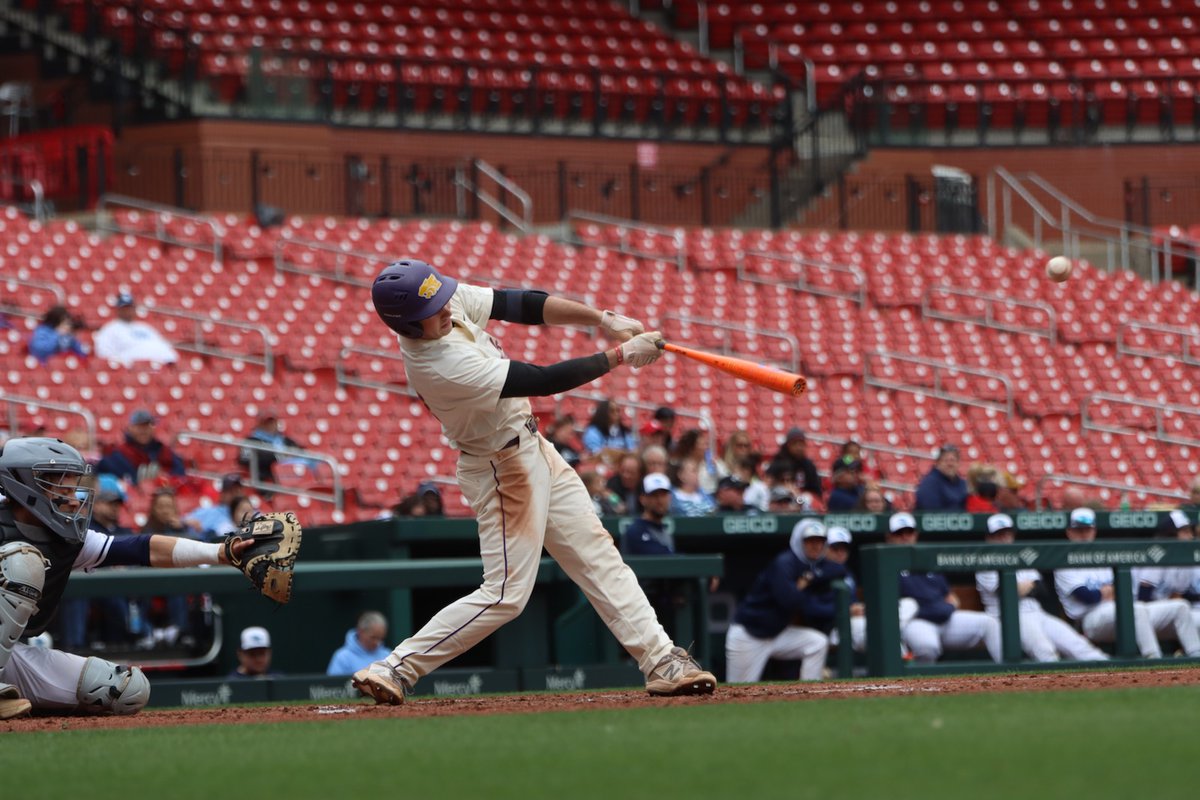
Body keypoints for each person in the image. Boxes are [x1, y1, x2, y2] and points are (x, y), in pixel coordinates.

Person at [353, 259, 715, 704]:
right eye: (433, 307)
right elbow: (542, 381)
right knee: (506, 594)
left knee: (598, 555)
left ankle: (661, 660)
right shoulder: (439, 365)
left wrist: (602, 319)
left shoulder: (441, 305)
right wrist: (620, 356)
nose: (446, 306)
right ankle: (395, 666)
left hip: (532, 445)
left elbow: (521, 304)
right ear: (408, 324)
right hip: (500, 467)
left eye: (443, 297)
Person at [0, 437, 259, 719]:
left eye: (74, 488)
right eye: (62, 488)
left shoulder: (65, 539)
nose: (74, 500)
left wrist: (220, 552)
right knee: (21, 562)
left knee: (126, 691)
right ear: (25, 484)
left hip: (11, 656)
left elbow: (142, 548)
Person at [1054, 507, 1200, 659]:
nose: (1084, 534)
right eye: (1079, 530)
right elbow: (1087, 597)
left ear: (1094, 531)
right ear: (1069, 532)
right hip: (1090, 619)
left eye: (1087, 530)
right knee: (1135, 609)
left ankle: (1196, 657)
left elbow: (1119, 590)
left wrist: (1105, 592)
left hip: (1119, 612)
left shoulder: (1100, 557)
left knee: (1180, 607)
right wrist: (1106, 592)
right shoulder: (1064, 562)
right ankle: (1153, 658)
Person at [976, 513, 1108, 662]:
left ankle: (1111, 672)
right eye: (998, 534)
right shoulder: (984, 563)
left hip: (1037, 612)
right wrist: (1024, 587)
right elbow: (1007, 592)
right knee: (1045, 651)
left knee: (1078, 645)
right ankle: (1054, 678)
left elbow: (1041, 587)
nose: (1003, 538)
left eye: (1006, 533)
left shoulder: (1021, 556)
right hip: (1008, 616)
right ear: (988, 537)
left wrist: (1023, 588)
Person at [725, 519, 842, 682]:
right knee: (737, 691)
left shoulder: (812, 566)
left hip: (777, 634)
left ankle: (811, 690)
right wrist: (803, 588)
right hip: (750, 635)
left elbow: (839, 569)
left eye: (820, 541)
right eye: (810, 541)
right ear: (799, 542)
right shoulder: (784, 562)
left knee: (817, 643)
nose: (816, 546)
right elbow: (789, 600)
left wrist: (810, 578)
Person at [888, 511, 1002, 663]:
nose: (905, 537)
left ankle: (1009, 671)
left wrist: (950, 604)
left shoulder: (926, 559)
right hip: (917, 622)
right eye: (899, 533)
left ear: (915, 534)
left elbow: (949, 595)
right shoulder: (886, 564)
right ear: (889, 537)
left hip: (945, 619)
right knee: (928, 648)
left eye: (908, 532)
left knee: (989, 623)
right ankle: (920, 678)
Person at [1134, 510, 1200, 630]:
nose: (1191, 536)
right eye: (1185, 532)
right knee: (1181, 608)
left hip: (1164, 610)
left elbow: (1177, 595)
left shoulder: (1185, 559)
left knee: (1182, 609)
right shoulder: (1157, 554)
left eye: (1190, 531)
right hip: (1139, 610)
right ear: (1171, 534)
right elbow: (1143, 595)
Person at [95, 409, 186, 486]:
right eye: (139, 426)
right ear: (130, 428)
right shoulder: (119, 455)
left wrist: (165, 478)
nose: (143, 430)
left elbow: (179, 474)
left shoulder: (163, 451)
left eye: (147, 426)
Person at [92, 290, 178, 366]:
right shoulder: (109, 329)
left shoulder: (145, 328)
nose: (129, 311)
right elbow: (104, 355)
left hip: (157, 369)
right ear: (118, 309)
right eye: (125, 308)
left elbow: (165, 348)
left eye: (130, 307)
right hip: (131, 372)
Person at [238, 411, 304, 483]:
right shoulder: (251, 440)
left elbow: (299, 451)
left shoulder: (285, 440)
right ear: (260, 424)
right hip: (266, 478)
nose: (270, 425)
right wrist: (275, 457)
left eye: (273, 422)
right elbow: (244, 459)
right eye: (267, 423)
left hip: (291, 475)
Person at [621, 473, 675, 556]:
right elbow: (661, 555)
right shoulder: (635, 531)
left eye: (663, 495)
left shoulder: (664, 531)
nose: (660, 500)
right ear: (643, 499)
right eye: (654, 495)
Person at [183, 473, 246, 541]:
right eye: (231, 491)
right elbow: (184, 520)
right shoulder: (210, 511)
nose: (235, 494)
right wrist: (190, 522)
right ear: (223, 494)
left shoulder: (248, 510)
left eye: (237, 490)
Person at [326, 611, 391, 676]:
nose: (377, 642)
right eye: (373, 637)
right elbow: (334, 681)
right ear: (360, 632)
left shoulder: (388, 655)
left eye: (381, 638)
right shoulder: (342, 657)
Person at [767, 427, 822, 501]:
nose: (799, 447)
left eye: (801, 444)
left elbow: (816, 491)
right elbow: (767, 486)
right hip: (781, 500)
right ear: (788, 445)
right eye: (795, 444)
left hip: (802, 501)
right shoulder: (778, 463)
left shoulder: (809, 465)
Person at [913, 444, 968, 511]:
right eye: (945, 460)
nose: (950, 464)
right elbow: (931, 512)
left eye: (953, 460)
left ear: (958, 463)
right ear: (938, 463)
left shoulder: (963, 484)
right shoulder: (929, 483)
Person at [607, 452, 644, 516]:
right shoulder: (613, 484)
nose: (626, 476)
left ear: (640, 474)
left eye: (631, 472)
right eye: (623, 471)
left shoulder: (645, 487)